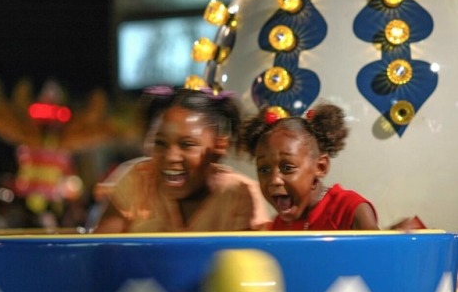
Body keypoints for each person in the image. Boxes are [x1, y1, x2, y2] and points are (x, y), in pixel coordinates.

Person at [93, 87, 271, 233]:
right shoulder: (136, 180)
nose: (171, 157)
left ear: (219, 146)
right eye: (160, 143)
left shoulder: (240, 195)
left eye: (187, 144)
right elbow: (101, 254)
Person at [239, 104, 378, 230]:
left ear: (320, 167)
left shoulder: (350, 210)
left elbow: (381, 253)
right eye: (264, 170)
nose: (274, 180)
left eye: (287, 168)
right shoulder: (278, 227)